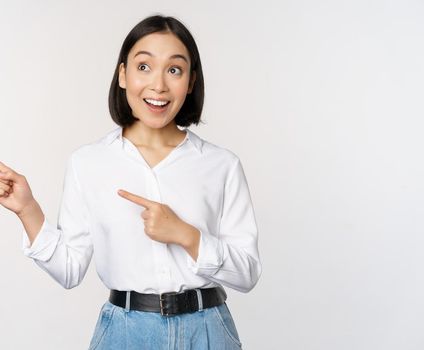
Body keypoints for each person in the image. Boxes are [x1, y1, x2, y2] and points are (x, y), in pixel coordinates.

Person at [0, 14, 261, 349]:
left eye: (174, 70)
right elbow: (69, 269)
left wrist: (186, 235)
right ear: (122, 75)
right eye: (143, 67)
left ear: (191, 81)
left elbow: (248, 273)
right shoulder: (88, 163)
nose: (159, 85)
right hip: (125, 334)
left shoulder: (221, 165)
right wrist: (28, 209)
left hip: (207, 330)